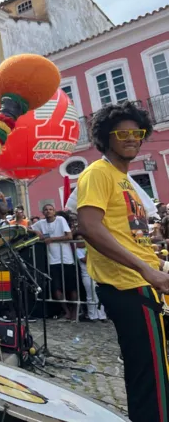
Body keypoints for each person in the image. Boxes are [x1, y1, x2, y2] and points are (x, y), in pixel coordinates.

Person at [76, 101, 169, 422]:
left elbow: (126, 230)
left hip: (146, 281)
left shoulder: (125, 180)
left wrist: (153, 255)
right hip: (131, 286)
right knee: (151, 377)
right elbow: (88, 226)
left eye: (137, 133)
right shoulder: (98, 173)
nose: (132, 138)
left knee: (156, 370)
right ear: (106, 137)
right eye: (123, 133)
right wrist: (145, 269)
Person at [32, 204, 76, 320]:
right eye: (46, 210)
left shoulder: (60, 220)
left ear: (54, 211)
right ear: (43, 212)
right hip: (53, 260)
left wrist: (52, 239)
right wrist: (36, 232)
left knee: (71, 287)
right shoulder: (41, 223)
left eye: (51, 209)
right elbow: (27, 227)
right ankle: (66, 311)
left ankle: (75, 311)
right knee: (56, 288)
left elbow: (69, 236)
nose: (48, 211)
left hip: (66, 259)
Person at [75, 241, 107, 322]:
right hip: (86, 274)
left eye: (82, 239)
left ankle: (102, 315)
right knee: (90, 295)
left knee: (99, 294)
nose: (81, 241)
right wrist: (88, 250)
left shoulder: (91, 248)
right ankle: (92, 315)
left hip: (96, 273)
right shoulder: (78, 250)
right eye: (78, 239)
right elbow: (85, 260)